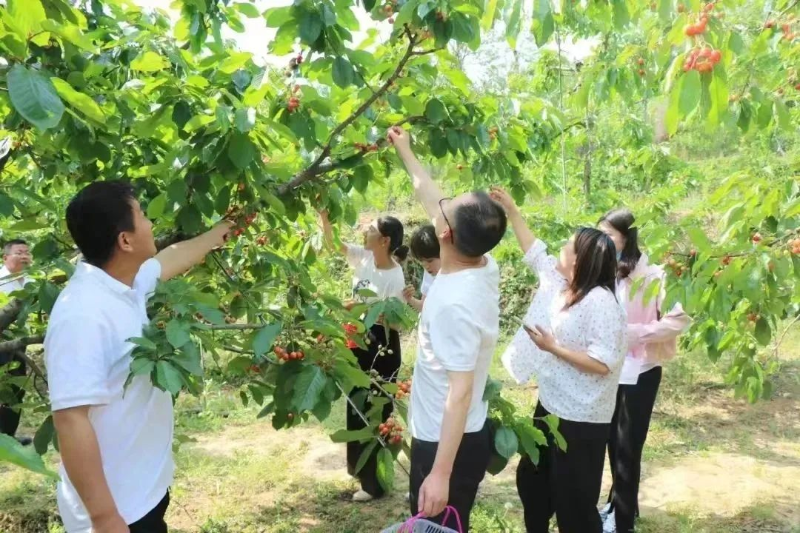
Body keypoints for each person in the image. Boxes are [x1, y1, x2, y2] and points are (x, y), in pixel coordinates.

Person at [45, 181, 232, 533]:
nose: (150, 224)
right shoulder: (82, 313)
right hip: (116, 514)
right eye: (142, 216)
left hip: (141, 494)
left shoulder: (122, 284)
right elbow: (70, 420)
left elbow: (167, 260)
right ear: (125, 241)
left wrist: (218, 233)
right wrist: (104, 518)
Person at [388, 126, 506, 532]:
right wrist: (405, 149)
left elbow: (460, 393)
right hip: (458, 435)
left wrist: (439, 473)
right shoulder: (484, 263)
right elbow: (429, 193)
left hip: (446, 445)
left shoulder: (453, 303)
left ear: (444, 233)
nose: (439, 205)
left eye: (447, 207)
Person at [492, 188, 626, 533]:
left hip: (582, 417)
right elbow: (534, 251)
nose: (561, 249)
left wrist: (554, 348)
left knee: (574, 501)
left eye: (568, 246)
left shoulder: (600, 303)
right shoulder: (559, 283)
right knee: (533, 480)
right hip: (551, 404)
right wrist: (511, 209)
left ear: (580, 260)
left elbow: (603, 363)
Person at [597, 209, 690, 533]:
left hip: (640, 370)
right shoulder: (607, 271)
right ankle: (618, 503)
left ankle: (622, 523)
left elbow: (679, 319)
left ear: (627, 236)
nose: (604, 243)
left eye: (609, 236)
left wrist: (638, 333)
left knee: (628, 446)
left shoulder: (654, 275)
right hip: (609, 370)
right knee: (612, 441)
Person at [318, 209, 408, 502]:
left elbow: (395, 321)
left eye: (370, 228)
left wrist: (360, 308)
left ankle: (375, 484)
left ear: (383, 240)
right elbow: (334, 245)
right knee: (356, 406)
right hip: (357, 339)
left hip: (382, 345)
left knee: (375, 411)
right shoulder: (365, 257)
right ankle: (361, 474)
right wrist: (325, 217)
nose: (364, 230)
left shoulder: (395, 276)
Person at [0, 238, 33, 445]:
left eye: (27, 253)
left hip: (19, 342)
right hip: (2, 342)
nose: (24, 256)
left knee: (16, 389)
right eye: (19, 252)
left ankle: (9, 437)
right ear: (5, 257)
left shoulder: (32, 281)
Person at [403, 225, 440, 312]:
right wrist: (409, 298)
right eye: (421, 261)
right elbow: (424, 307)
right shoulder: (429, 274)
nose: (426, 266)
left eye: (430, 261)